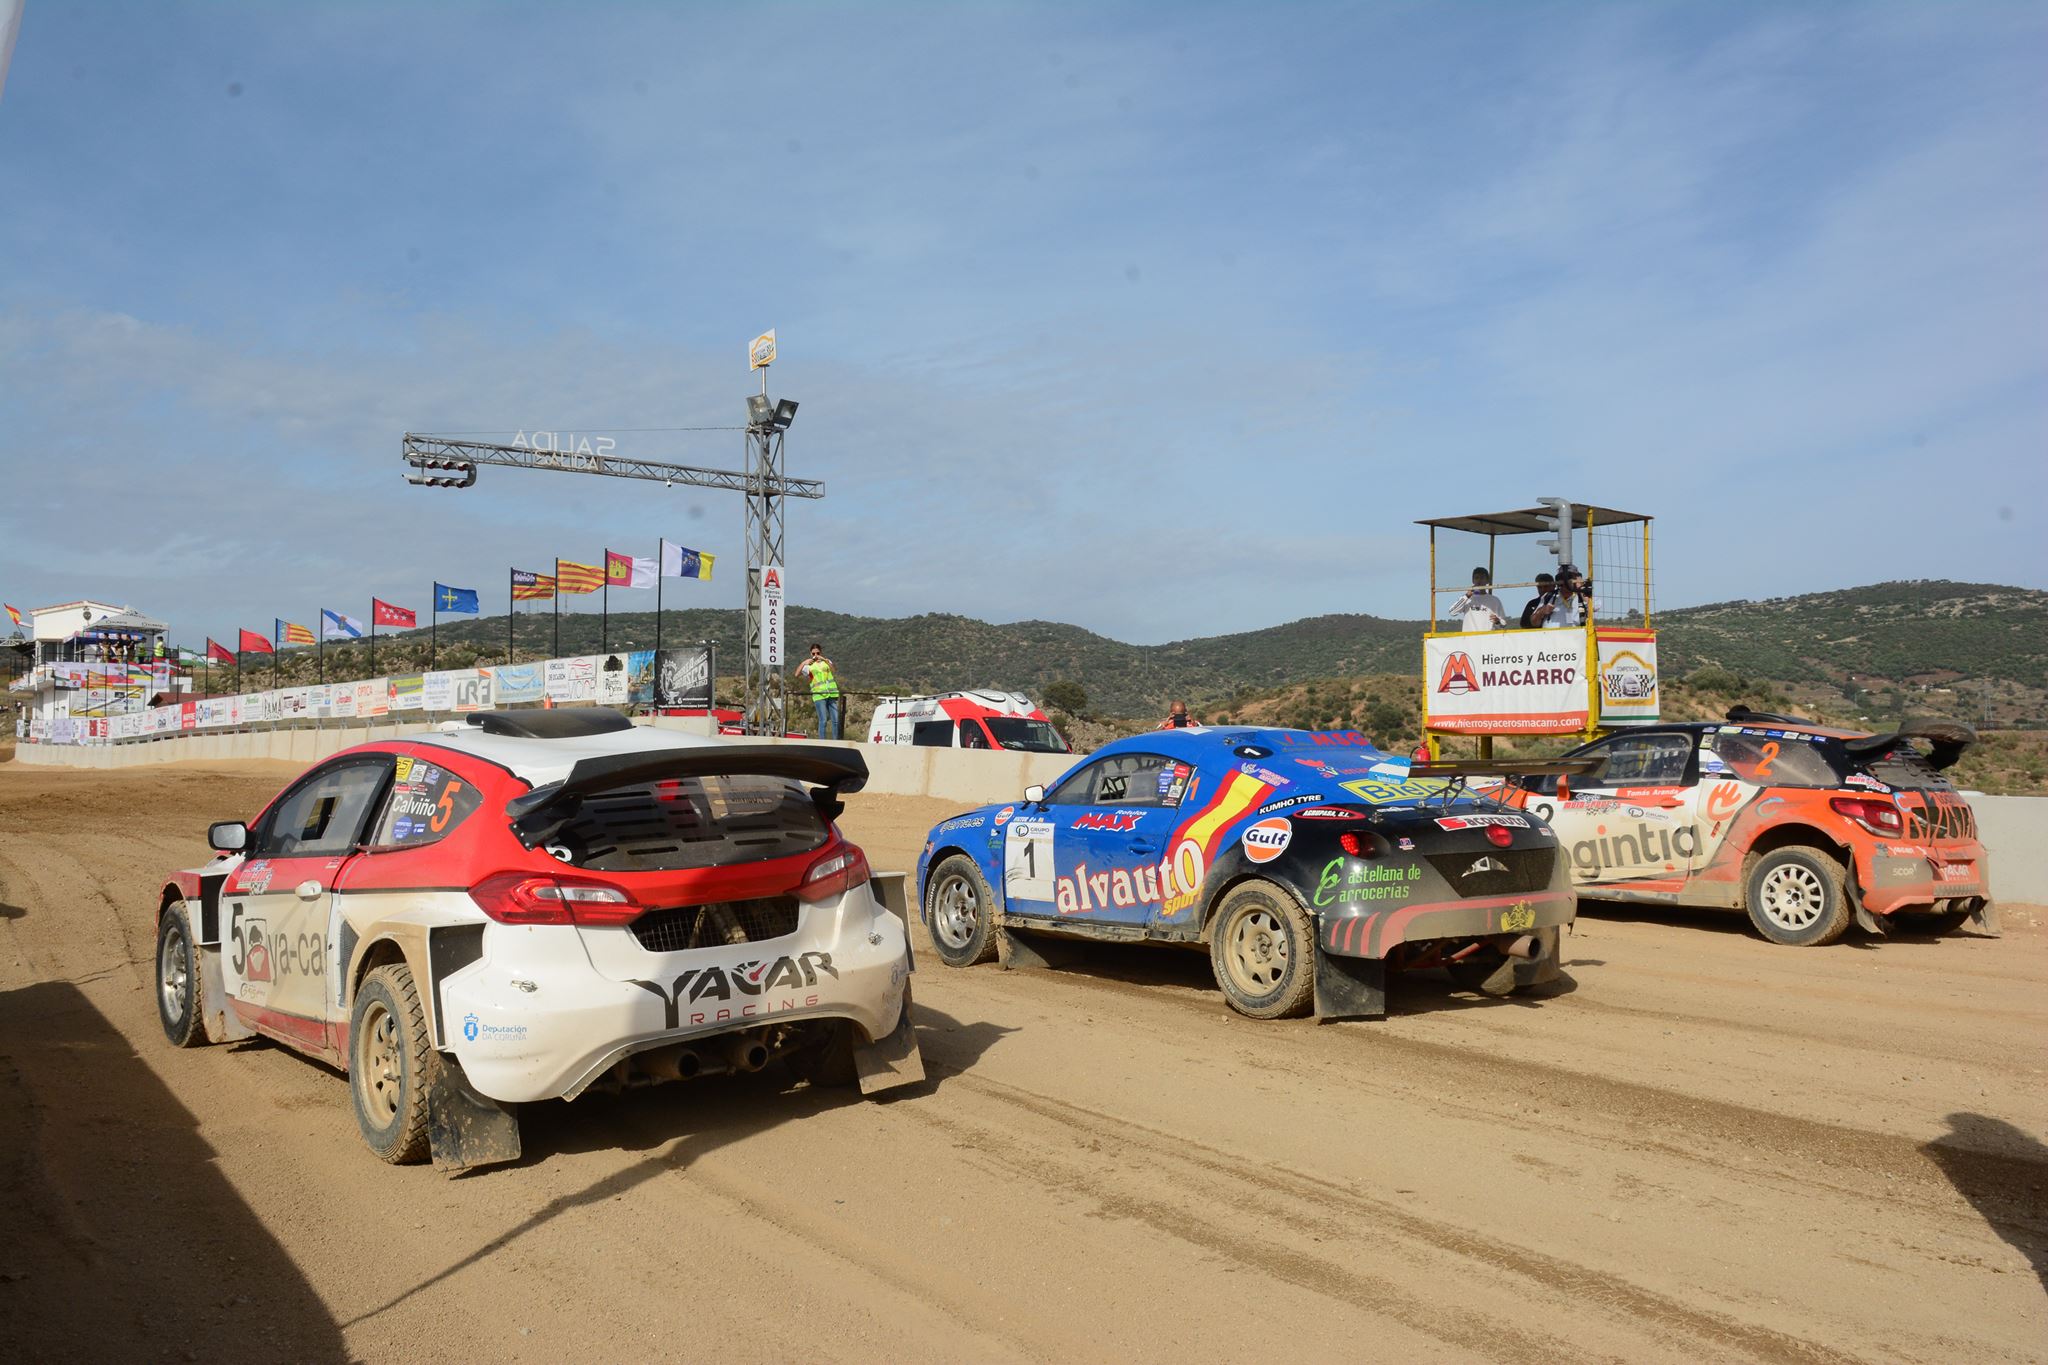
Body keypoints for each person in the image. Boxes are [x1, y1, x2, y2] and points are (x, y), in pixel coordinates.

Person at [793, 642, 843, 739]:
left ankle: (836, 741)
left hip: (831, 694)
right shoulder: (809, 666)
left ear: (821, 652)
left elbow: (834, 670)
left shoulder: (827, 662)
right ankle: (822, 742)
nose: (816, 655)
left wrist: (824, 660)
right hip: (819, 695)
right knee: (823, 720)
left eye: (818, 653)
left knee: (836, 719)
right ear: (810, 654)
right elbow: (796, 674)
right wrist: (804, 663)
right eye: (813, 654)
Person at [1448, 567, 1507, 632]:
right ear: (1473, 581)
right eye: (1476, 578)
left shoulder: (1495, 600)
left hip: (1488, 639)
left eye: (1482, 578)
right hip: (1469, 640)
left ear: (1487, 580)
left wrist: (1498, 621)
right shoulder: (1466, 598)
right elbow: (1452, 612)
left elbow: (1503, 625)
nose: (1479, 580)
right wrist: (1466, 596)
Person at [1543, 564, 1597, 629]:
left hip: (1576, 636)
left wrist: (1580, 588)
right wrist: (1542, 611)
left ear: (1577, 578)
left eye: (1569, 577)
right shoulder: (1549, 596)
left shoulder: (1584, 595)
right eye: (1562, 577)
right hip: (1549, 637)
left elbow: (1594, 606)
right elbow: (1533, 621)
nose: (1566, 580)